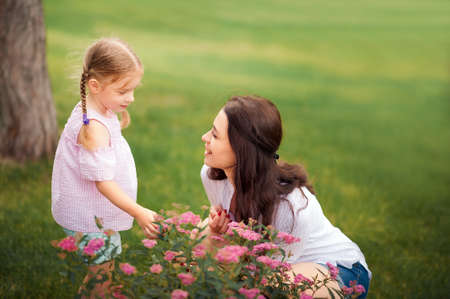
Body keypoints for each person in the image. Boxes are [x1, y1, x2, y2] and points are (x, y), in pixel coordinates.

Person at [200, 95, 371, 298]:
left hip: (337, 269)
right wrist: (219, 231)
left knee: (270, 288)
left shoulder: (290, 206)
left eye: (215, 135)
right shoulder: (212, 176)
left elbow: (268, 276)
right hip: (274, 266)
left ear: (241, 150)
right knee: (200, 247)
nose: (205, 137)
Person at [51, 37, 158, 297]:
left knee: (100, 275)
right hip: (90, 217)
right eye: (123, 91)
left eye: (134, 89)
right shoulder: (94, 128)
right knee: (101, 278)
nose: (131, 98)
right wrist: (138, 211)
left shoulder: (97, 109)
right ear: (95, 86)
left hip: (92, 211)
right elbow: (103, 182)